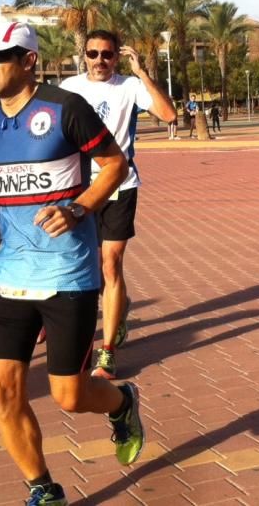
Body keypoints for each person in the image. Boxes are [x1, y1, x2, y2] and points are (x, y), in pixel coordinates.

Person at [0, 22, 144, 506]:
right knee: (3, 391)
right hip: (10, 275)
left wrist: (79, 207)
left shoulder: (64, 108)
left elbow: (115, 165)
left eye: (0, 56)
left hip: (68, 275)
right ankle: (44, 489)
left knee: (69, 396)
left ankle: (122, 403)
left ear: (29, 60)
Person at [60, 30, 176, 380]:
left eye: (107, 55)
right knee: (92, 267)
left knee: (110, 264)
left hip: (120, 185)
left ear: (117, 57)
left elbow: (169, 115)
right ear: (84, 55)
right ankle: (119, 304)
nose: (100, 61)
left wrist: (142, 72)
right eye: (93, 54)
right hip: (80, 188)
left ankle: (107, 351)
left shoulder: (129, 86)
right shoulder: (68, 88)